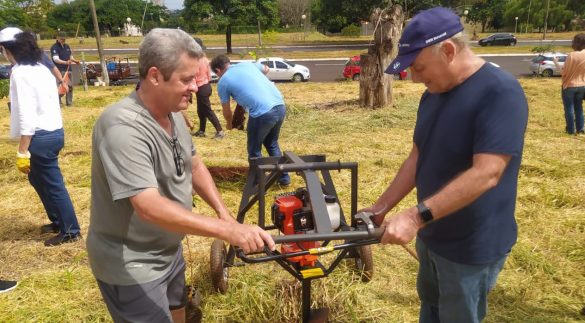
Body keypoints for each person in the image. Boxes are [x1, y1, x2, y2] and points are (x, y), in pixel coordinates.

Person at [87, 28, 274, 322]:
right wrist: (226, 231)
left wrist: (224, 214)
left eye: (196, 79)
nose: (196, 87)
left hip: (168, 250)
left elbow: (194, 165)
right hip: (133, 263)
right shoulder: (122, 127)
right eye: (187, 80)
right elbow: (147, 206)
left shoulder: (173, 112)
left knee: (180, 314)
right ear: (154, 76)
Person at [363, 7, 528, 322]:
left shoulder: (499, 93)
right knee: (431, 309)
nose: (414, 77)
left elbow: (487, 173)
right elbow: (418, 156)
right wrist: (381, 206)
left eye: (420, 67)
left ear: (449, 51)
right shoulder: (433, 94)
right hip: (432, 234)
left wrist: (414, 217)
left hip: (470, 246)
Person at [0, 27, 81, 246]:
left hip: (40, 137)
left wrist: (22, 149)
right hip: (53, 131)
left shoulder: (20, 72)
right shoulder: (40, 68)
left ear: (8, 50)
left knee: (52, 184)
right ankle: (58, 220)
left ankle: (71, 229)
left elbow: (26, 112)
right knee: (37, 179)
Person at [210, 55, 290, 185]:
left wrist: (229, 124)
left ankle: (257, 182)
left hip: (262, 113)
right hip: (280, 106)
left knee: (254, 150)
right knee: (272, 143)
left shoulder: (223, 81)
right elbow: (266, 68)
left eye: (216, 74)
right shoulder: (247, 64)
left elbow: (227, 110)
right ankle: (283, 178)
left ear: (218, 71)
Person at [554, 33, 585, 135]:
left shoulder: (572, 55)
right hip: (582, 85)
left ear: (576, 43)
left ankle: (571, 130)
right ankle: (581, 129)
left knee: (569, 109)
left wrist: (556, 62)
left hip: (569, 86)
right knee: (579, 107)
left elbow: (564, 72)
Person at [192, 54, 224, 139]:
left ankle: (220, 131)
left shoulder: (195, 61)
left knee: (207, 111)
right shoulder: (205, 59)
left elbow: (194, 76)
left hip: (201, 87)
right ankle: (202, 130)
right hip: (206, 85)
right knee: (200, 111)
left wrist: (193, 89)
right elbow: (209, 75)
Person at [50, 32, 79, 106]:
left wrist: (74, 60)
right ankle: (58, 102)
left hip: (68, 69)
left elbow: (70, 56)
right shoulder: (54, 47)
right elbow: (55, 59)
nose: (63, 40)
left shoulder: (67, 46)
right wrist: (65, 62)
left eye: (64, 39)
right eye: (62, 39)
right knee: (59, 87)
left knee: (70, 86)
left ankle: (69, 102)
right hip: (59, 70)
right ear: (58, 38)